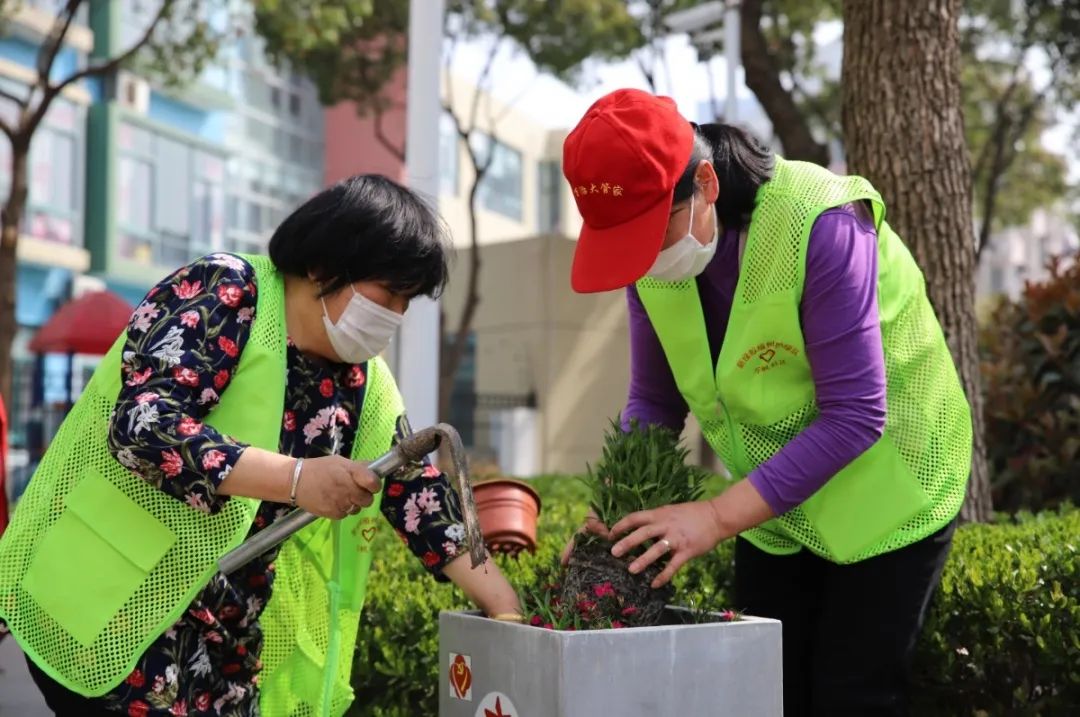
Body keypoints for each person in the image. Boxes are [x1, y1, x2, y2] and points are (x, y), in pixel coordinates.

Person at [0, 175, 521, 717]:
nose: (393, 314)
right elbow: (143, 424)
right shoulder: (228, 291)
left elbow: (417, 497)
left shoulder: (365, 383)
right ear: (324, 265)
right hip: (109, 607)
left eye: (405, 302)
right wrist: (298, 479)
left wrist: (506, 608)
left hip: (221, 648)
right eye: (387, 293)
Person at [562, 89, 972, 716]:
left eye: (650, 231)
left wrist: (716, 518)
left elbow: (857, 413)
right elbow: (654, 397)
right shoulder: (654, 263)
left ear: (704, 183)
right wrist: (614, 518)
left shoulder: (821, 222)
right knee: (763, 690)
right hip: (775, 502)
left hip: (891, 486)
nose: (640, 259)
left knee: (850, 694)